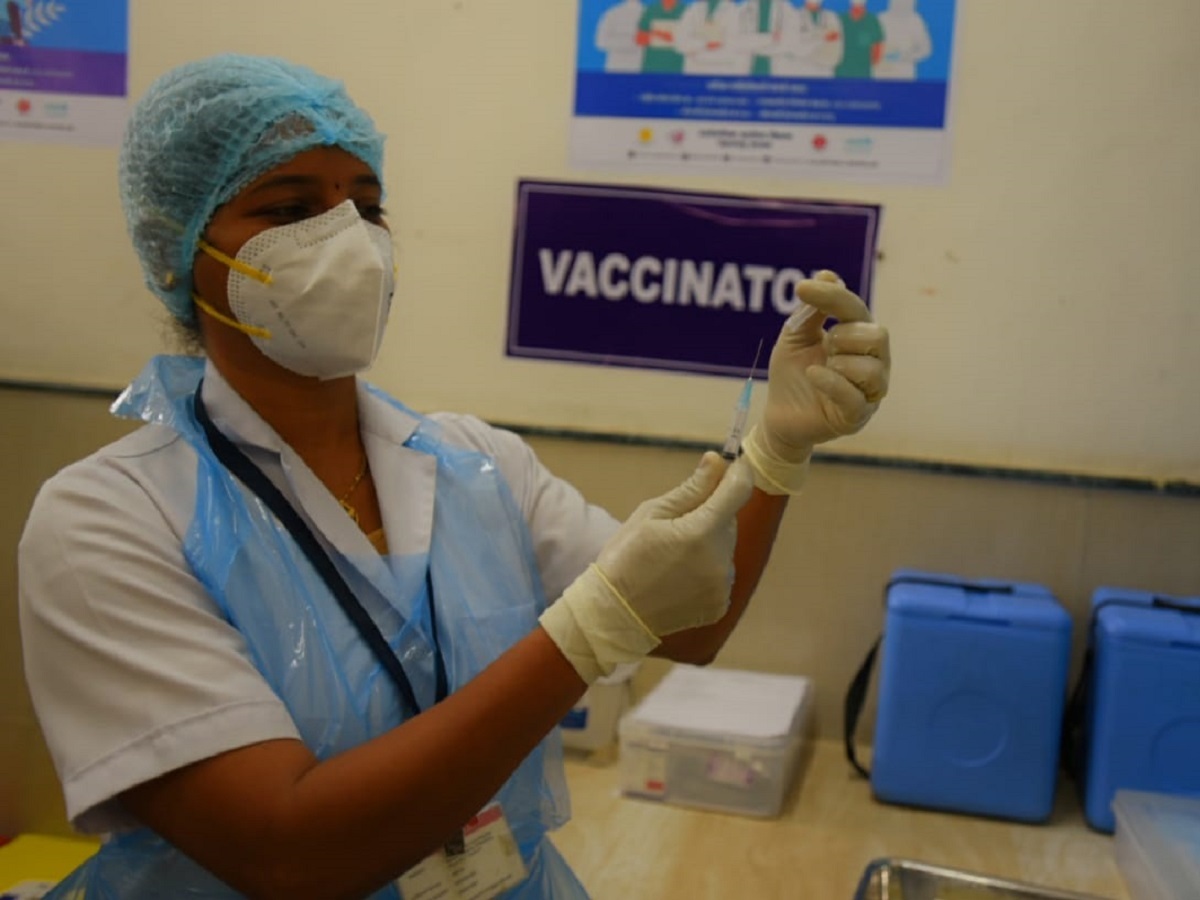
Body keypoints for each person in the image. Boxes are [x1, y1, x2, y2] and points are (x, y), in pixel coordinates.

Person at [17, 54, 891, 900]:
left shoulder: (477, 465)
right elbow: (287, 857)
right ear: (178, 252)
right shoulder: (109, 520)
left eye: (366, 204)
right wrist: (585, 635)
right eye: (287, 207)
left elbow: (689, 622)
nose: (347, 239)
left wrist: (774, 456)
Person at [773, 0, 844, 79]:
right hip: (795, 73)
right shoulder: (790, 12)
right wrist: (820, 38)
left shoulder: (831, 16)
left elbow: (834, 53)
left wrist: (813, 39)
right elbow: (792, 45)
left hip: (822, 74)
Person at [675, 0, 747, 76]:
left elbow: (733, 43)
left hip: (723, 69)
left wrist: (700, 45)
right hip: (695, 70)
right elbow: (680, 42)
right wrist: (705, 44)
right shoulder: (693, 9)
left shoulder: (734, 10)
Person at [875, 0, 932, 80]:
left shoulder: (916, 21)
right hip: (881, 74)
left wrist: (905, 56)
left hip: (904, 74)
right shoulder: (881, 19)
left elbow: (926, 49)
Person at [636, 0, 688, 74]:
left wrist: (674, 37)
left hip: (676, 67)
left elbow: (691, 40)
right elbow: (639, 39)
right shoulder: (651, 10)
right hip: (652, 67)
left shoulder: (686, 11)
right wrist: (659, 34)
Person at [836, 0, 885, 78]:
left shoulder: (872, 20)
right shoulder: (841, 19)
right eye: (855, 8)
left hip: (863, 67)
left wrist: (874, 62)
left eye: (860, 8)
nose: (857, 10)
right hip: (843, 66)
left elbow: (877, 42)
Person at [594, 0, 645, 74]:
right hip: (616, 68)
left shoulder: (648, 14)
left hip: (640, 68)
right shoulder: (612, 14)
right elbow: (601, 41)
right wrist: (634, 41)